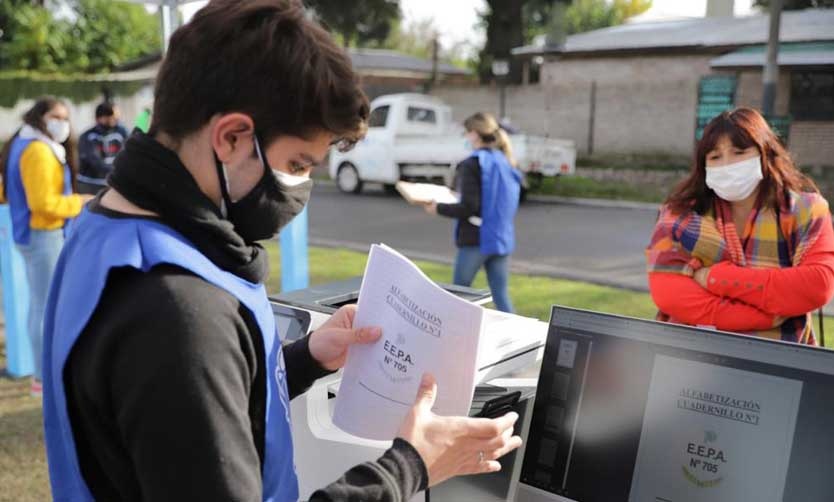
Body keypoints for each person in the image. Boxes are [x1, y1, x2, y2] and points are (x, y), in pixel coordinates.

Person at [41, 2, 522, 501]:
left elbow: (187, 414)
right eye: (298, 162)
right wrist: (409, 466)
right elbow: (187, 365)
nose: (302, 185)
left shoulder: (107, 227)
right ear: (230, 136)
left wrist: (304, 360)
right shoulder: (179, 312)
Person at [646, 107, 834, 344]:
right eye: (715, 157)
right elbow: (669, 293)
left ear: (764, 152)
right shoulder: (679, 214)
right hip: (688, 358)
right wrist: (764, 314)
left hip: (779, 361)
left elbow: (817, 286)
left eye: (739, 152)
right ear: (703, 165)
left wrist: (714, 277)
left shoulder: (806, 210)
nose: (727, 164)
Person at [0, 97, 91, 396]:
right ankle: (42, 376)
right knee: (44, 308)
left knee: (40, 305)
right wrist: (80, 202)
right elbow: (44, 203)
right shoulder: (38, 151)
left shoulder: (26, 143)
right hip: (43, 235)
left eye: (66, 117)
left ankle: (43, 374)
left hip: (36, 235)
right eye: (57, 116)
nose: (63, 123)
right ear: (41, 117)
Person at [424, 112, 521, 313]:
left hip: (477, 239)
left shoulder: (471, 164)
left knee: (458, 295)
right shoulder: (504, 161)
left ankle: (455, 341)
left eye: (467, 133)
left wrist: (438, 208)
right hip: (500, 238)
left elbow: (469, 207)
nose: (466, 137)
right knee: (501, 295)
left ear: (475, 134)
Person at [77, 101, 129, 194]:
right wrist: (120, 172)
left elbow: (130, 154)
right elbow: (96, 163)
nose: (116, 118)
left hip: (113, 182)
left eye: (117, 116)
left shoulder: (122, 132)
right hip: (91, 184)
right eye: (113, 116)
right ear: (101, 118)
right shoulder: (88, 137)